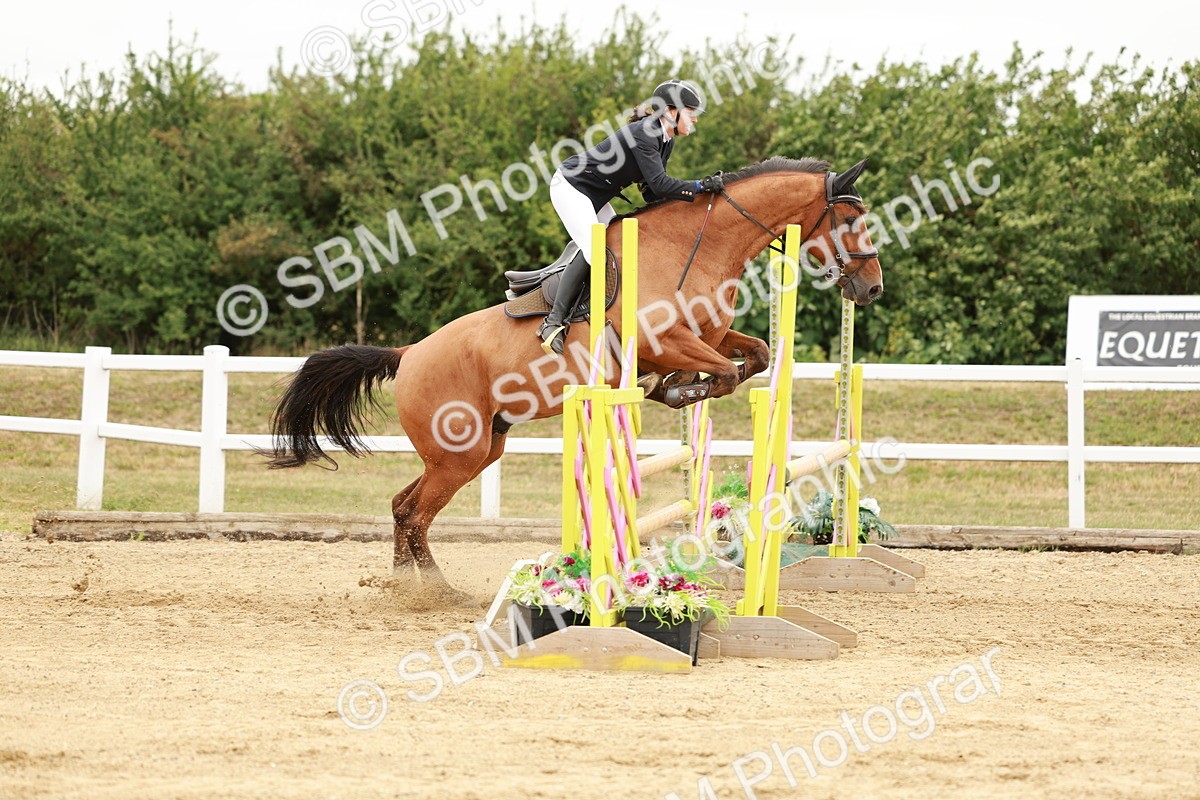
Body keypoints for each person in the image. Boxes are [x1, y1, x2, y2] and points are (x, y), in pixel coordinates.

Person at [538, 79, 725, 356]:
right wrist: (700, 187)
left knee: (616, 247)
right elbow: (661, 185)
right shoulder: (646, 132)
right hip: (571, 187)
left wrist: (691, 207)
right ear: (670, 111)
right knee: (595, 251)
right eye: (690, 111)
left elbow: (651, 193)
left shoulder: (665, 140)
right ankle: (553, 323)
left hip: (595, 196)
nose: (695, 117)